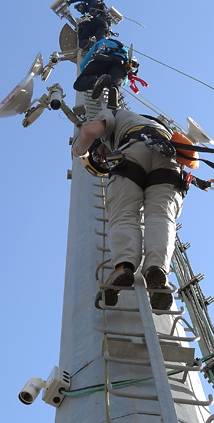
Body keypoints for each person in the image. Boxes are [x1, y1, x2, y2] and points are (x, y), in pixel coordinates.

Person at [72, 109, 187, 311]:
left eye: (100, 154)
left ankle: (124, 266)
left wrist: (79, 150)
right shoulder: (160, 126)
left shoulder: (114, 114)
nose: (103, 158)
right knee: (162, 217)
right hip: (167, 158)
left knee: (123, 213)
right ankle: (157, 268)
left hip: (132, 154)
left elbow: (90, 130)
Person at [73, 38, 140, 109]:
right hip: (120, 63)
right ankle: (114, 89)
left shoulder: (101, 42)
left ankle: (97, 81)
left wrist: (85, 72)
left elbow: (83, 64)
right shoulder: (124, 50)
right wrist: (122, 82)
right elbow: (124, 80)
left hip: (102, 60)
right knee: (116, 81)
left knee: (78, 85)